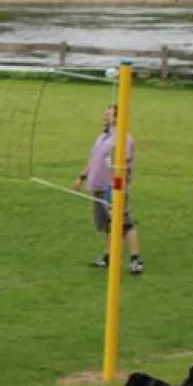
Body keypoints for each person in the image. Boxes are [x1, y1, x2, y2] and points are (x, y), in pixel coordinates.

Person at [72, 104, 143, 275]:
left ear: (119, 118)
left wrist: (115, 189)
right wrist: (81, 178)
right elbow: (93, 159)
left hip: (112, 188)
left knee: (124, 224)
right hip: (98, 187)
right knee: (107, 226)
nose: (104, 117)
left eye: (108, 114)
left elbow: (122, 166)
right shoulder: (103, 137)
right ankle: (107, 257)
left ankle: (136, 261)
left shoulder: (124, 139)